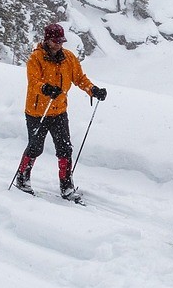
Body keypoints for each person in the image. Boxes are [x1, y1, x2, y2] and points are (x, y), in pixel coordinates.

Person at [14, 22, 105, 199]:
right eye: (55, 41)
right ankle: (22, 178)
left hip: (59, 111)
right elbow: (33, 83)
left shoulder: (69, 58)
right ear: (47, 40)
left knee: (65, 149)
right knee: (35, 147)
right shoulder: (36, 58)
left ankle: (67, 186)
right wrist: (46, 88)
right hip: (37, 112)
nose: (59, 44)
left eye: (61, 41)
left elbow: (79, 79)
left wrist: (93, 90)